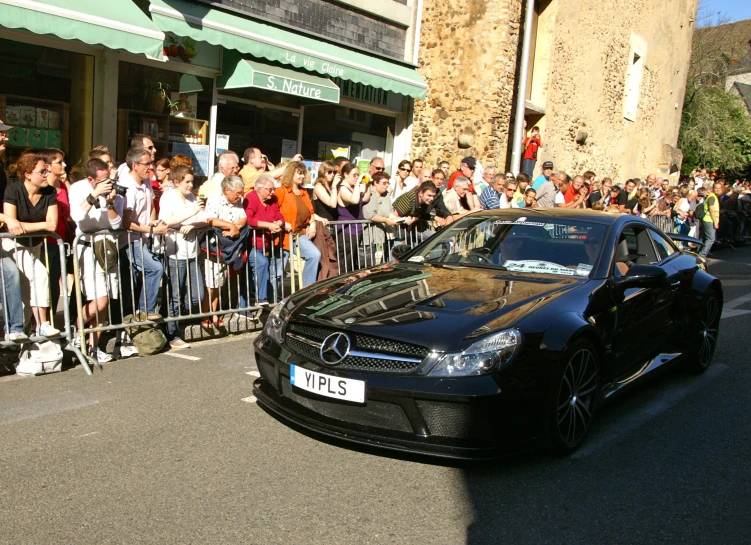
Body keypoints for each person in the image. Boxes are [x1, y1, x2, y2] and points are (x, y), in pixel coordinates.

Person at [69, 158, 124, 362]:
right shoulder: (78, 188)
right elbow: (76, 216)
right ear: (91, 179)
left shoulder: (112, 190)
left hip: (108, 246)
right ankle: (76, 330)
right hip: (87, 246)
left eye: (108, 179)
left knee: (106, 299)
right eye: (102, 181)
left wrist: (110, 202)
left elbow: (117, 223)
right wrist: (94, 196)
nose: (107, 184)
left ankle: (93, 346)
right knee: (98, 301)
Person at [2, 152, 60, 337]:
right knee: (40, 274)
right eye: (42, 171)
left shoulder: (49, 192)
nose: (46, 174)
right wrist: (40, 225)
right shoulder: (13, 191)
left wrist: (24, 225)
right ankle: (43, 323)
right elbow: (12, 226)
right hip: (13, 244)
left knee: (28, 294)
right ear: (28, 174)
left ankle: (25, 338)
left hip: (34, 245)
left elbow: (52, 224)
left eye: (46, 171)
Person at [158, 165, 206, 349]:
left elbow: (205, 218)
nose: (190, 185)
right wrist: (191, 213)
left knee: (197, 295)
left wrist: (193, 225)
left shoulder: (192, 198)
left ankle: (169, 318)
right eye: (187, 182)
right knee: (175, 296)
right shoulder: (169, 197)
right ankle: (173, 333)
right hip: (175, 252)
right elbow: (165, 221)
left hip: (192, 253)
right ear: (176, 182)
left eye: (192, 181)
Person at [120, 147, 166, 320]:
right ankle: (144, 310)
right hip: (130, 240)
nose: (151, 168)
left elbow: (151, 206)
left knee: (137, 279)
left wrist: (153, 221)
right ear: (135, 165)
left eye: (151, 164)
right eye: (147, 164)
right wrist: (152, 229)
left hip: (144, 238)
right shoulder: (128, 187)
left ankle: (136, 315)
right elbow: (127, 221)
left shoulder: (146, 181)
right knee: (155, 269)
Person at [202, 176, 248, 327]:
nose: (240, 196)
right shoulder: (215, 200)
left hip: (229, 248)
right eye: (238, 193)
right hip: (214, 248)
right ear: (227, 190)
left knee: (219, 283)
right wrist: (231, 226)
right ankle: (206, 315)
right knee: (211, 284)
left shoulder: (238, 202)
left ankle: (214, 314)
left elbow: (243, 218)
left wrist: (237, 227)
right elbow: (210, 219)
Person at [275, 162, 321, 288]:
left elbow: (310, 211)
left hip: (299, 234)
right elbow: (273, 211)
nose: (302, 177)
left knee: (314, 255)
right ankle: (270, 299)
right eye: (299, 173)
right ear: (291, 173)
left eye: (303, 174)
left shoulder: (304, 192)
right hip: (283, 235)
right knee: (278, 270)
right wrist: (282, 223)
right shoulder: (281, 191)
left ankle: (306, 291)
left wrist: (312, 224)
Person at [40, 148, 71, 320]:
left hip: (61, 241)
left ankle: (51, 322)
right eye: (59, 162)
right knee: (44, 285)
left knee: (56, 284)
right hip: (45, 241)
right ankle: (40, 323)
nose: (64, 164)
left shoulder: (63, 185)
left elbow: (71, 210)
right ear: (48, 166)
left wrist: (66, 183)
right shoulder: (43, 188)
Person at [244, 174, 285, 304]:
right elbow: (248, 219)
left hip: (266, 243)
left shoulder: (271, 201)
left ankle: (259, 296)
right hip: (250, 243)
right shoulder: (251, 198)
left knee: (264, 267)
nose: (273, 192)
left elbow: (280, 217)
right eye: (270, 189)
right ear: (260, 189)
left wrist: (278, 223)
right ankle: (260, 297)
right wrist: (268, 225)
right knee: (262, 263)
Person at [336, 162, 371, 271]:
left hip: (356, 230)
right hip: (347, 231)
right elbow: (354, 200)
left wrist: (368, 184)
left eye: (357, 175)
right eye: (354, 175)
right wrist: (358, 184)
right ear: (345, 174)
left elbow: (365, 199)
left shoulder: (353, 188)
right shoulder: (342, 189)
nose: (356, 177)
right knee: (345, 263)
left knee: (352, 262)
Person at [362, 171, 397, 265]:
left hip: (381, 235)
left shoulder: (386, 195)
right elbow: (369, 215)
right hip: (368, 235)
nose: (386, 185)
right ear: (375, 182)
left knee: (379, 264)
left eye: (387, 183)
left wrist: (397, 220)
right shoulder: (370, 193)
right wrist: (386, 220)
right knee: (367, 264)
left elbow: (389, 212)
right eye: (384, 183)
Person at [700, 181, 722, 258]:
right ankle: (702, 256)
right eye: (716, 188)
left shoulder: (713, 196)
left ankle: (700, 254)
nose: (718, 190)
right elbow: (712, 209)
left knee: (704, 238)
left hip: (708, 220)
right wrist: (715, 222)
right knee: (710, 239)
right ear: (713, 188)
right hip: (709, 220)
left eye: (719, 188)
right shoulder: (712, 197)